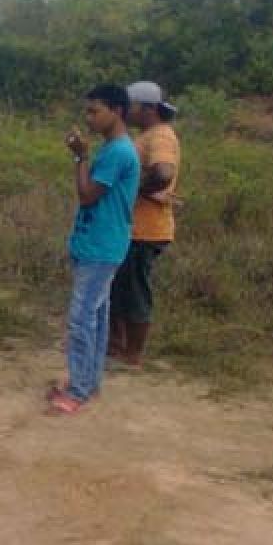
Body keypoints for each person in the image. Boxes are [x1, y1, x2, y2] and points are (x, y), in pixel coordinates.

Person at [48, 85, 140, 416]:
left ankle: (78, 390)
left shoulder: (117, 152)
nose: (89, 117)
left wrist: (80, 157)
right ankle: (88, 382)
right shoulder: (115, 148)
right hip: (100, 243)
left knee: (82, 317)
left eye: (94, 111)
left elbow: (87, 194)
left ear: (116, 110)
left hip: (101, 246)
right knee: (97, 317)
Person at [109, 81, 180, 367]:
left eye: (131, 106)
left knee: (135, 290)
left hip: (147, 230)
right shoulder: (149, 135)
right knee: (122, 286)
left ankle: (132, 353)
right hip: (135, 227)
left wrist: (134, 190)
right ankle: (117, 345)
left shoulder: (160, 137)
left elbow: (163, 173)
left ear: (148, 108)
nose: (126, 112)